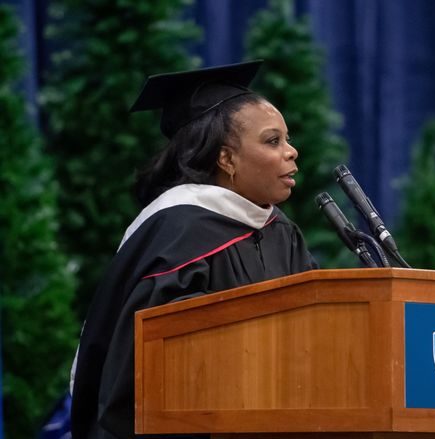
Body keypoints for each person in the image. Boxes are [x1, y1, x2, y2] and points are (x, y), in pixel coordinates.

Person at [69, 60, 318, 439]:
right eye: (273, 141)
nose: (292, 151)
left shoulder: (282, 233)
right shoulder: (176, 234)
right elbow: (156, 368)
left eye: (287, 139)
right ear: (226, 158)